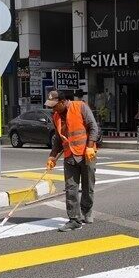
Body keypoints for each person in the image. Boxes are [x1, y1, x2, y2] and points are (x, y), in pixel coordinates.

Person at [47, 90, 100, 232]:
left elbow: (93, 127)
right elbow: (58, 139)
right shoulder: (56, 116)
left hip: (86, 155)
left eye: (54, 105)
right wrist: (52, 156)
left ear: (63, 101)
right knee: (71, 188)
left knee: (88, 186)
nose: (53, 108)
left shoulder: (80, 106)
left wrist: (90, 147)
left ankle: (87, 211)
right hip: (70, 157)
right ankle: (74, 219)